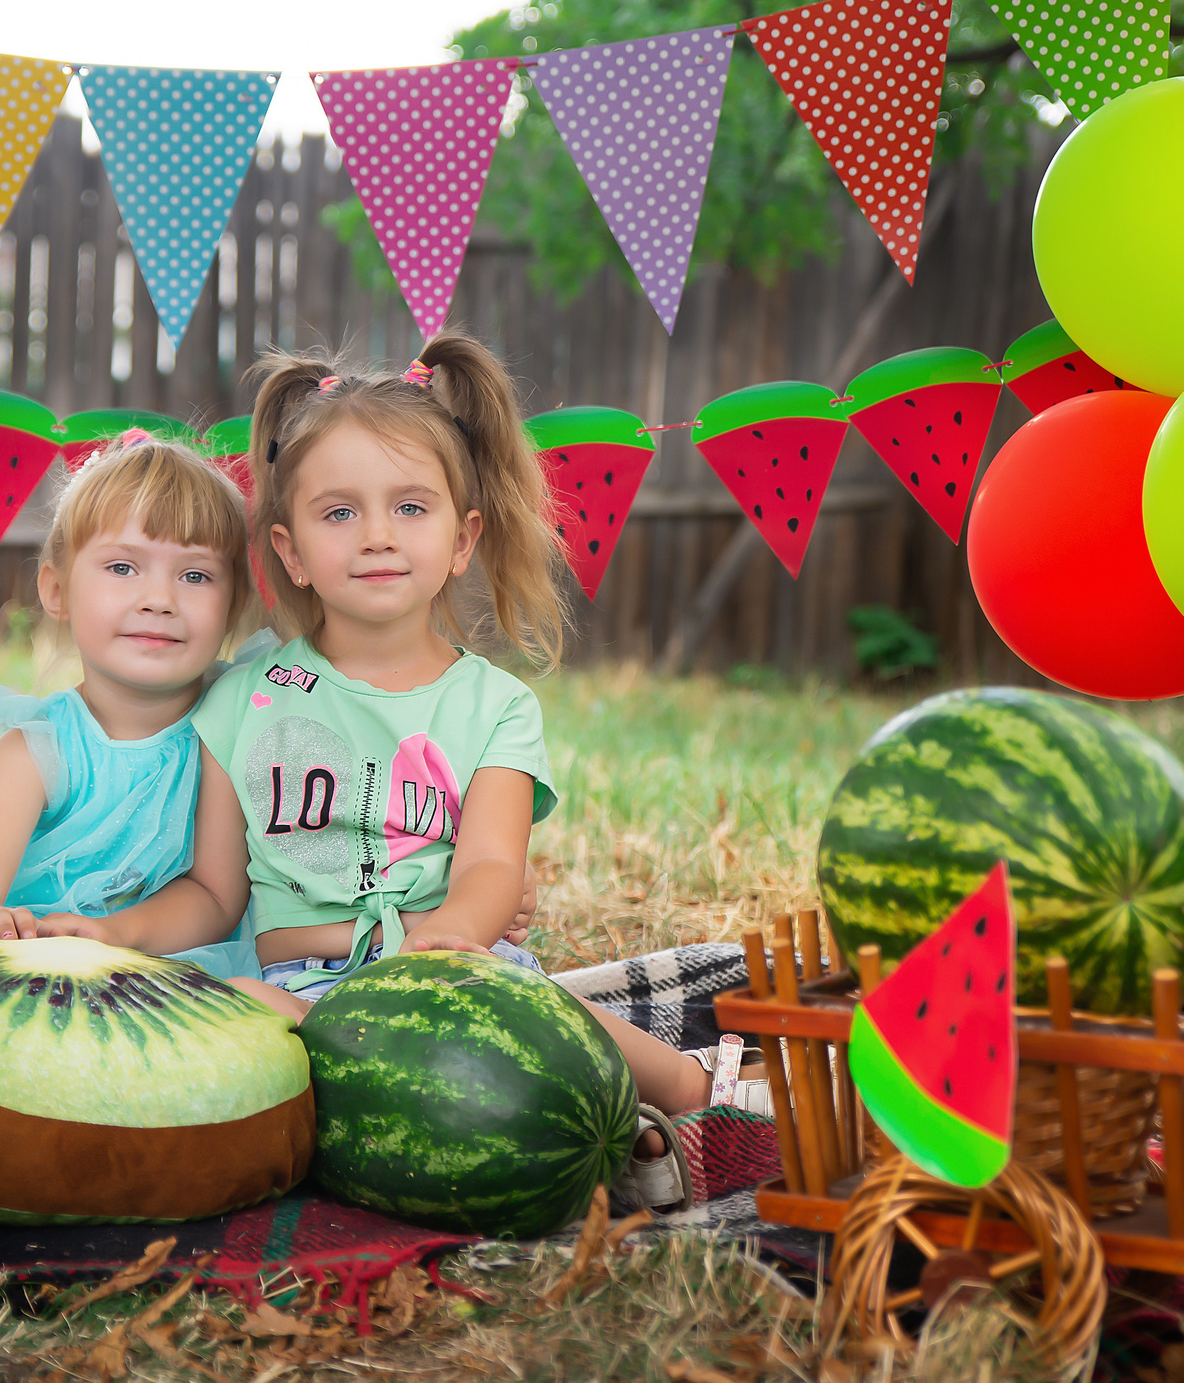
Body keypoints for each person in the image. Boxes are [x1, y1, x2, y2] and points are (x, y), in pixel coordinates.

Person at [78, 334, 754, 1206]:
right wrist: (113, 934)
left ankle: (707, 1102)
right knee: (233, 1017)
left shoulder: (493, 708)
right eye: (338, 513)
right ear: (289, 551)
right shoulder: (243, 701)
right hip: (298, 985)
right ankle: (585, 1144)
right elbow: (213, 894)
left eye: (409, 507)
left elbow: (487, 869)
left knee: (561, 1022)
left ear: (462, 537)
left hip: (455, 967)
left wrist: (451, 939)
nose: (376, 537)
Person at [0, 430, 265, 981]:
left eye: (195, 575)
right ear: (57, 590)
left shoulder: (233, 727)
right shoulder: (38, 749)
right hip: (29, 946)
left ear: (233, 603)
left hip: (164, 946)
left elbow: (215, 897)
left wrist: (119, 935)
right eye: (122, 568)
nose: (159, 600)